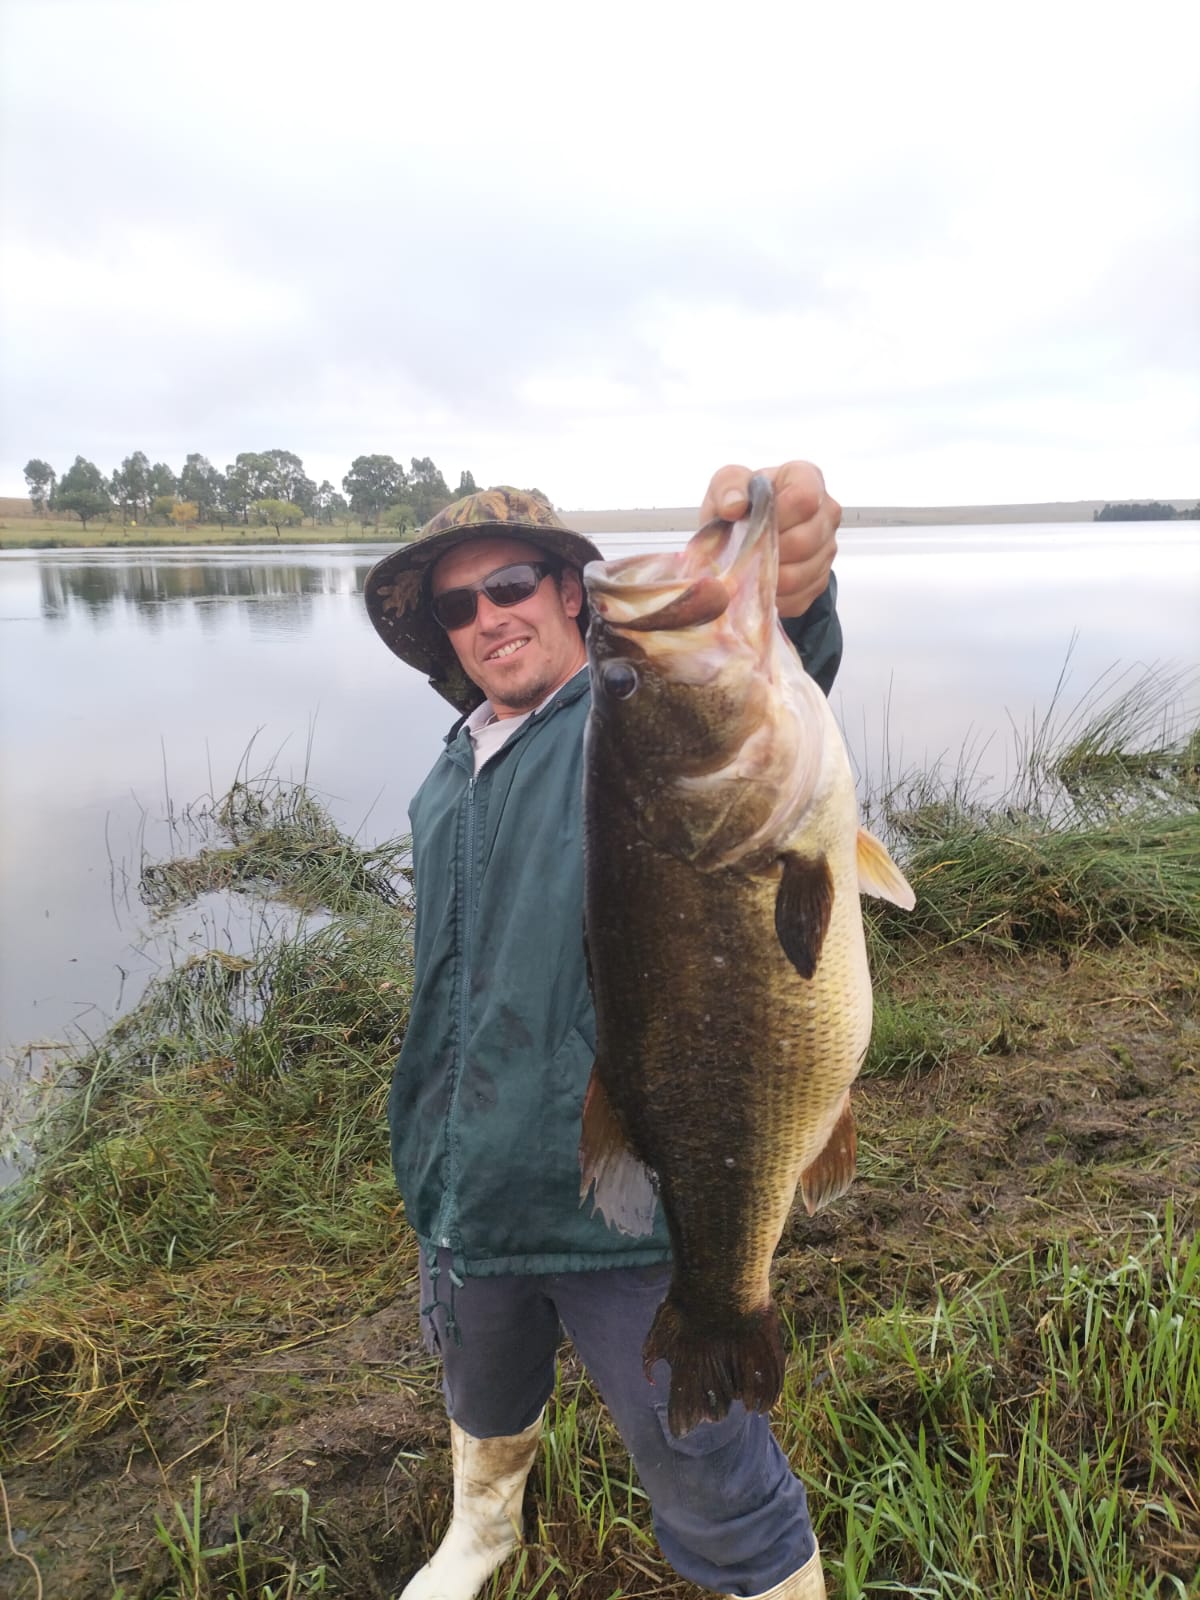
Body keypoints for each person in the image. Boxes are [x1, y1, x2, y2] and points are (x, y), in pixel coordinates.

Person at [364, 463, 843, 1600]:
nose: (488, 616)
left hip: (616, 1213)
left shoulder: (624, 725)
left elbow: (754, 699)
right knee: (483, 1395)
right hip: (466, 1193)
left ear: (571, 593)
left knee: (707, 1463)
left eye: (512, 584)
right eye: (458, 604)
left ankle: (768, 1576)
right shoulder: (451, 769)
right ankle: (482, 1530)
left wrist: (796, 598)